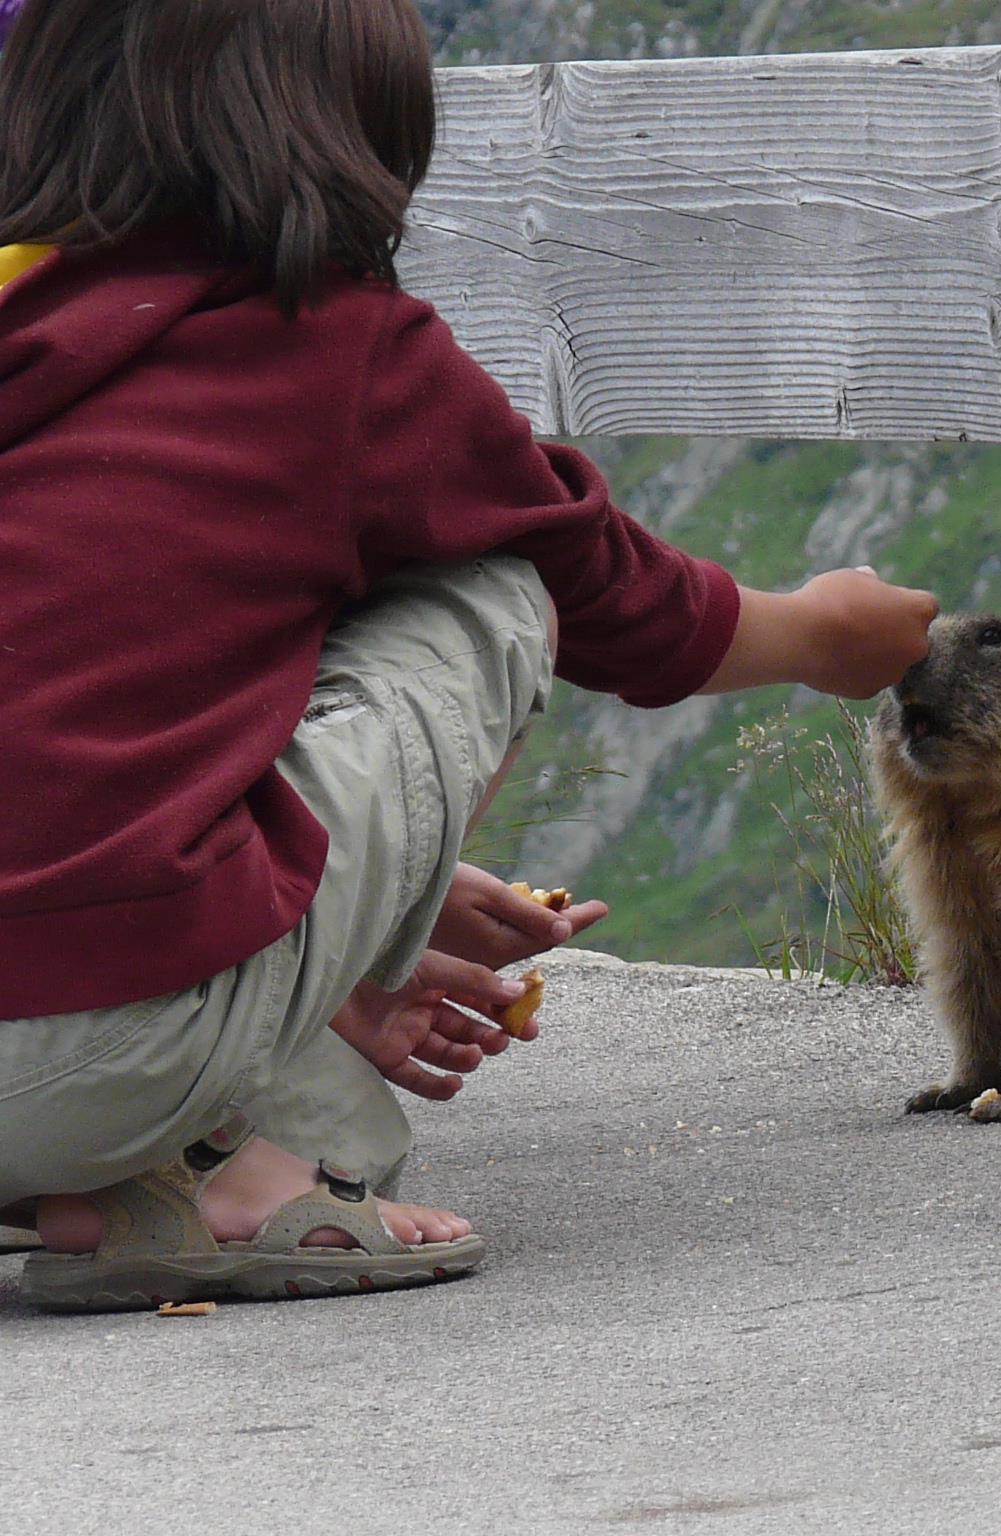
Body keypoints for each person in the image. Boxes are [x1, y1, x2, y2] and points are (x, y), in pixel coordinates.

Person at [0, 0, 938, 1310]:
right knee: (488, 587)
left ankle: (84, 1175)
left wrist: (347, 958)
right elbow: (607, 593)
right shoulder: (342, 353)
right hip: (96, 1049)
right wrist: (823, 634)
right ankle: (246, 1181)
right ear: (351, 135)